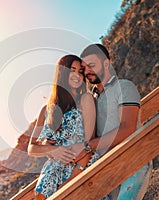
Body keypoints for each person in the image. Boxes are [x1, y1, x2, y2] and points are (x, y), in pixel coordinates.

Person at [70, 43, 152, 200]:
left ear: (106, 63)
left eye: (91, 65)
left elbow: (127, 129)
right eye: (84, 68)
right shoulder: (90, 99)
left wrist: (88, 146)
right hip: (108, 170)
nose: (87, 72)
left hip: (133, 164)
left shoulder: (124, 86)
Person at [27, 55, 104, 199]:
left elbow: (89, 144)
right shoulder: (47, 110)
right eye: (72, 70)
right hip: (52, 174)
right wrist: (52, 149)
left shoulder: (85, 99)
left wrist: (68, 183)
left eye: (80, 71)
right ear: (62, 73)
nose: (77, 75)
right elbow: (31, 148)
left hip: (79, 170)